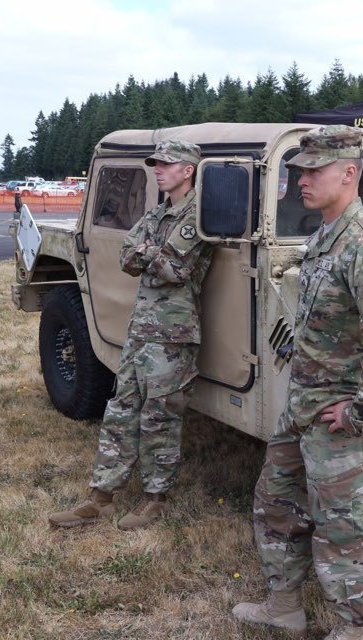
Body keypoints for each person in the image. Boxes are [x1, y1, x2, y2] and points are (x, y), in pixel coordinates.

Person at [232, 125, 363, 640]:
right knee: (277, 505)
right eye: (298, 173)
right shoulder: (323, 238)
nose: (301, 182)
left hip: (343, 421)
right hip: (304, 409)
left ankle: (355, 630)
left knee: (347, 530)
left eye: (313, 171)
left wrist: (361, 409)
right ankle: (284, 607)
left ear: (349, 173)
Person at [49, 138, 213, 531]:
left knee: (160, 417)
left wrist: (148, 253)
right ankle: (100, 497)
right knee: (121, 409)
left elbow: (174, 270)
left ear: (187, 170)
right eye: (155, 163)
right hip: (143, 329)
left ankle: (156, 499)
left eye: (165, 164)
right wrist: (149, 252)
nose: (157, 169)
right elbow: (126, 255)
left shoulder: (197, 218)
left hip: (173, 335)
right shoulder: (159, 214)